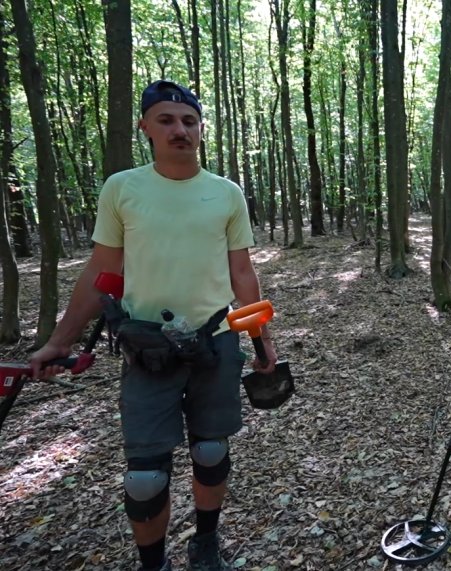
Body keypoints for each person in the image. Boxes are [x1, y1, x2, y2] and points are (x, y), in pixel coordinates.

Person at [30, 80, 277, 570]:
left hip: (217, 343)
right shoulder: (123, 188)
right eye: (166, 120)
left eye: (188, 121)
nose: (179, 130)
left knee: (211, 451)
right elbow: (103, 272)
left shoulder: (225, 194)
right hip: (147, 349)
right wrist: (59, 341)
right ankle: (153, 564)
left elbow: (242, 273)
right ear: (146, 127)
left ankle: (206, 544)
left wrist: (263, 341)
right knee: (145, 477)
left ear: (201, 129)